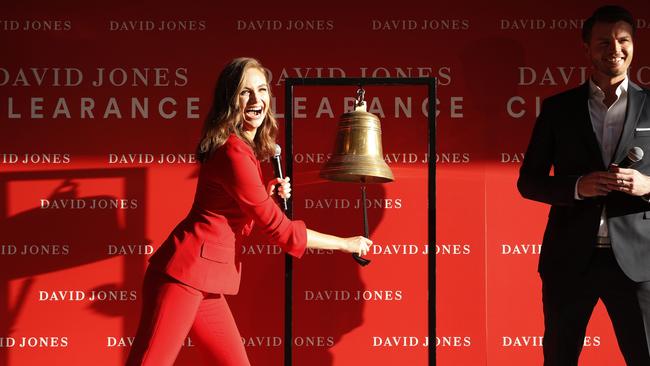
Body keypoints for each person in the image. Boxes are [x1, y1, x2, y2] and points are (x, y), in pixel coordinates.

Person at [126, 57, 372, 366]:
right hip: (182, 277)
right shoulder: (233, 152)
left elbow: (230, 212)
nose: (256, 100)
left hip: (206, 281)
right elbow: (280, 231)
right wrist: (345, 243)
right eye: (245, 92)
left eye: (262, 90)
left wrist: (264, 194)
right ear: (230, 100)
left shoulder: (241, 150)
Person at [518, 5, 650, 366]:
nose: (615, 49)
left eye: (623, 40)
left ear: (634, 44)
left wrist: (647, 185)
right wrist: (577, 187)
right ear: (586, 48)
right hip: (569, 260)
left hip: (638, 263)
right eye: (603, 41)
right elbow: (528, 182)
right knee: (559, 359)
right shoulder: (558, 109)